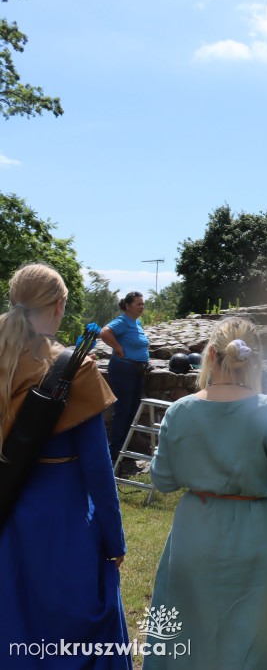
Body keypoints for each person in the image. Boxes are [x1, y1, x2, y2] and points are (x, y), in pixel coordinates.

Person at [145, 317, 267, 669]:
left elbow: (162, 480)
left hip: (195, 535)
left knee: (192, 637)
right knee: (259, 641)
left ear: (210, 354)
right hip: (257, 539)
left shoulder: (180, 412)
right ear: (254, 361)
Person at [0, 263, 130, 669]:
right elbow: (97, 469)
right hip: (63, 522)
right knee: (71, 635)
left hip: (6, 519)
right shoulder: (76, 370)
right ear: (59, 306)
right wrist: (115, 540)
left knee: (13, 622)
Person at [100, 291, 149, 465]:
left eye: (142, 304)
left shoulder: (137, 322)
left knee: (133, 409)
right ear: (127, 306)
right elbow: (104, 332)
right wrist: (118, 348)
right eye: (138, 304)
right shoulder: (122, 321)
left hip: (136, 370)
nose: (141, 307)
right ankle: (115, 452)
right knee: (123, 410)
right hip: (123, 369)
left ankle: (125, 449)